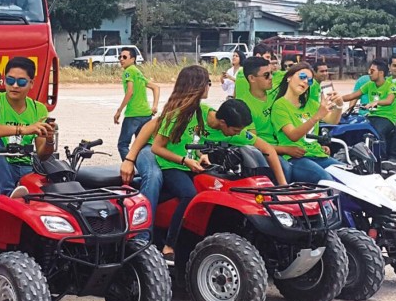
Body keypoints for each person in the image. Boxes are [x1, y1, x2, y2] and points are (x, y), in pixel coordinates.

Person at [120, 99, 288, 244]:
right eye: (235, 131)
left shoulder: (231, 131)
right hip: (152, 148)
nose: (237, 134)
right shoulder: (195, 112)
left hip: (181, 159)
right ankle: (141, 236)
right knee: (154, 177)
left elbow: (268, 150)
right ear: (222, 122)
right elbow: (153, 125)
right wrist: (130, 158)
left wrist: (282, 186)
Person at [151, 65, 212, 263]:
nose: (210, 86)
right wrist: (184, 160)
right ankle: (169, 244)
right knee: (188, 194)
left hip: (189, 164)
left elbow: (194, 141)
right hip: (171, 166)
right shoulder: (175, 114)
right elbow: (157, 148)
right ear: (196, 86)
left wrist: (202, 155)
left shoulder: (199, 112)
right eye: (207, 82)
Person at [0, 57, 55, 197]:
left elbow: (42, 155)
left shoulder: (38, 109)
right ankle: (9, 193)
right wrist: (22, 129)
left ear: (31, 84)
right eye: (10, 80)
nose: (15, 85)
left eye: (21, 82)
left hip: (24, 168)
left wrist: (49, 140)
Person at [272, 62, 345, 184]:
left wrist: (339, 105)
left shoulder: (311, 104)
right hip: (296, 158)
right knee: (327, 180)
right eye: (302, 77)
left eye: (310, 81)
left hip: (318, 154)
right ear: (289, 77)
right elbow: (293, 135)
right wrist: (316, 117)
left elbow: (333, 120)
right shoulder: (280, 106)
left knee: (349, 174)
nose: (306, 81)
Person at [241, 56, 293, 181]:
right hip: (268, 152)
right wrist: (285, 149)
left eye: (271, 73)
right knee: (286, 169)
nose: (271, 78)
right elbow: (254, 144)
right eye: (266, 75)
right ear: (252, 78)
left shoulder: (276, 94)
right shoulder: (244, 105)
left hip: (289, 145)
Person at [114, 47, 159, 161]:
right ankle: (143, 167)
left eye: (124, 57)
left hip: (134, 115)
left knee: (123, 144)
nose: (121, 59)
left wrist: (119, 111)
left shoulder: (128, 71)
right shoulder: (138, 72)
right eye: (120, 57)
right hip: (146, 115)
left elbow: (130, 91)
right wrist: (154, 106)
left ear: (133, 59)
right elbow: (156, 87)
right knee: (142, 144)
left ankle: (129, 167)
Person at [342, 59, 396, 145]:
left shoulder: (391, 86)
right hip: (371, 116)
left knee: (377, 132)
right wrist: (337, 98)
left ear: (381, 73)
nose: (369, 73)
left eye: (372, 71)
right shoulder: (369, 85)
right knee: (355, 128)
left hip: (387, 118)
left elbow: (389, 100)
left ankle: (381, 157)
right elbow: (352, 96)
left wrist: (376, 102)